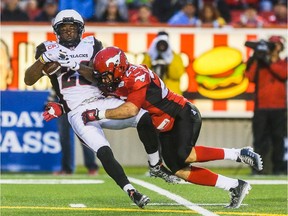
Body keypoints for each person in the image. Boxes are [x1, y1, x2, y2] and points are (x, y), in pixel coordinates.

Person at [24, 9, 177, 208]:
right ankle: (131, 191)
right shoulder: (47, 48)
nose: (68, 32)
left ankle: (155, 165)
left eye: (72, 28)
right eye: (64, 29)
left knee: (145, 117)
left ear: (80, 30)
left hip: (102, 101)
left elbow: (100, 76)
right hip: (78, 111)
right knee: (103, 151)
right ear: (56, 31)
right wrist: (44, 59)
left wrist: (75, 65)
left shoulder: (92, 45)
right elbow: (28, 79)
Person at [82, 46, 264, 209]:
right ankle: (234, 186)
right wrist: (70, 66)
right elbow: (92, 75)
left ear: (118, 68)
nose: (104, 80)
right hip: (165, 124)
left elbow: (131, 110)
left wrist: (98, 114)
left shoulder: (136, 76)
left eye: (106, 75)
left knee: (185, 154)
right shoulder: (116, 77)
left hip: (181, 114)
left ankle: (239, 153)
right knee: (180, 170)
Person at [245, 35, 287, 175]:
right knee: (259, 140)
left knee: (278, 138)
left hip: (279, 107)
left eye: (276, 44)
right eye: (272, 44)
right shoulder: (260, 62)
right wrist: (256, 58)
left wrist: (268, 62)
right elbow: (250, 77)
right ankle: (257, 169)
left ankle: (279, 168)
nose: (274, 47)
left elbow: (283, 74)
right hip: (261, 107)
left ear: (281, 47)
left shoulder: (283, 63)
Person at [46, 88, 99, 175]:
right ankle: (67, 168)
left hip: (79, 103)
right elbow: (54, 83)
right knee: (64, 139)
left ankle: (91, 167)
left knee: (85, 137)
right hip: (62, 104)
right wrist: (50, 101)